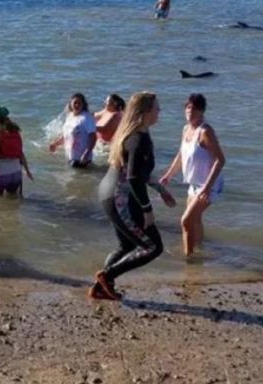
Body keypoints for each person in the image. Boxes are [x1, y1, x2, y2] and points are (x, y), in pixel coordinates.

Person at [91, 92, 176, 300]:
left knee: (127, 246)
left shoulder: (134, 134)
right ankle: (107, 275)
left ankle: (102, 288)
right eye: (157, 108)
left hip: (109, 193)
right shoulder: (138, 139)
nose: (159, 112)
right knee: (153, 246)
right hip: (121, 199)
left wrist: (161, 190)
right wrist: (147, 211)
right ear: (146, 112)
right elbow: (134, 179)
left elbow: (139, 172)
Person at [159, 94, 225, 257]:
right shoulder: (186, 129)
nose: (191, 111)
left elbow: (220, 160)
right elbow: (181, 155)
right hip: (194, 183)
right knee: (195, 220)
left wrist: (207, 188)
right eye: (188, 107)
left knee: (186, 221)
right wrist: (169, 175)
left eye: (195, 108)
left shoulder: (205, 131)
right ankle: (199, 248)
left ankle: (189, 258)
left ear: (202, 111)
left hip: (209, 184)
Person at [48, 93, 97, 168]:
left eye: (79, 103)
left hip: (82, 159)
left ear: (83, 104)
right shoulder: (70, 116)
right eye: (75, 103)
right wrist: (55, 144)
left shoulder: (87, 118)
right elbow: (66, 136)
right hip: (70, 157)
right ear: (70, 104)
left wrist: (86, 153)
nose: (77, 105)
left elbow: (93, 137)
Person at [92, 93, 125, 166]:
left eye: (107, 101)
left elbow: (103, 128)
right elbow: (95, 115)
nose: (105, 102)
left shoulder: (115, 116)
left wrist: (87, 127)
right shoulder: (107, 110)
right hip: (98, 143)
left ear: (114, 104)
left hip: (106, 148)